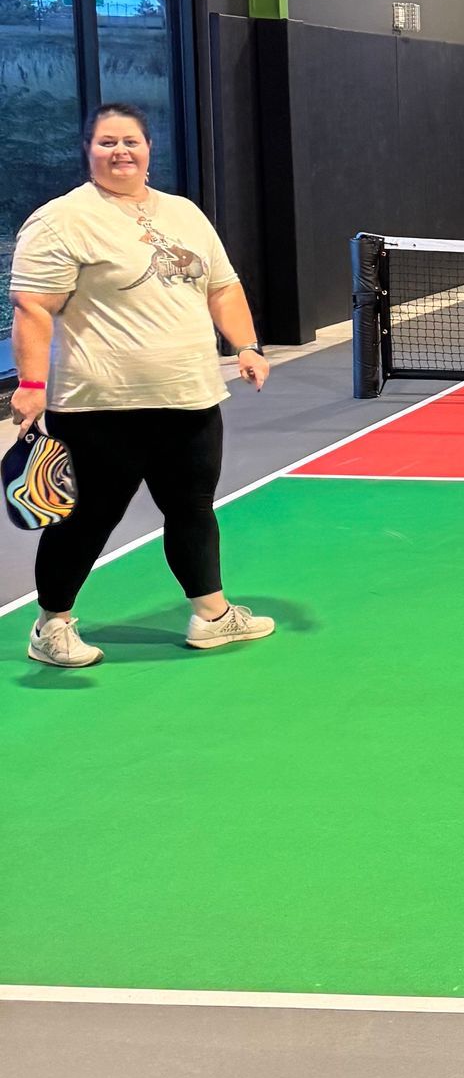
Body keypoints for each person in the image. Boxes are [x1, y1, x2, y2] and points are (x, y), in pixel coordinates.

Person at [7, 102, 275, 669]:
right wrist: (30, 383)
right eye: (107, 142)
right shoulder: (61, 220)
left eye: (130, 141)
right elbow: (33, 306)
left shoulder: (183, 214)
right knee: (87, 518)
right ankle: (51, 627)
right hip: (101, 405)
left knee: (192, 508)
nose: (120, 151)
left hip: (192, 396)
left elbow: (222, 286)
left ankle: (213, 614)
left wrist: (246, 345)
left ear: (149, 149)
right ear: (89, 151)